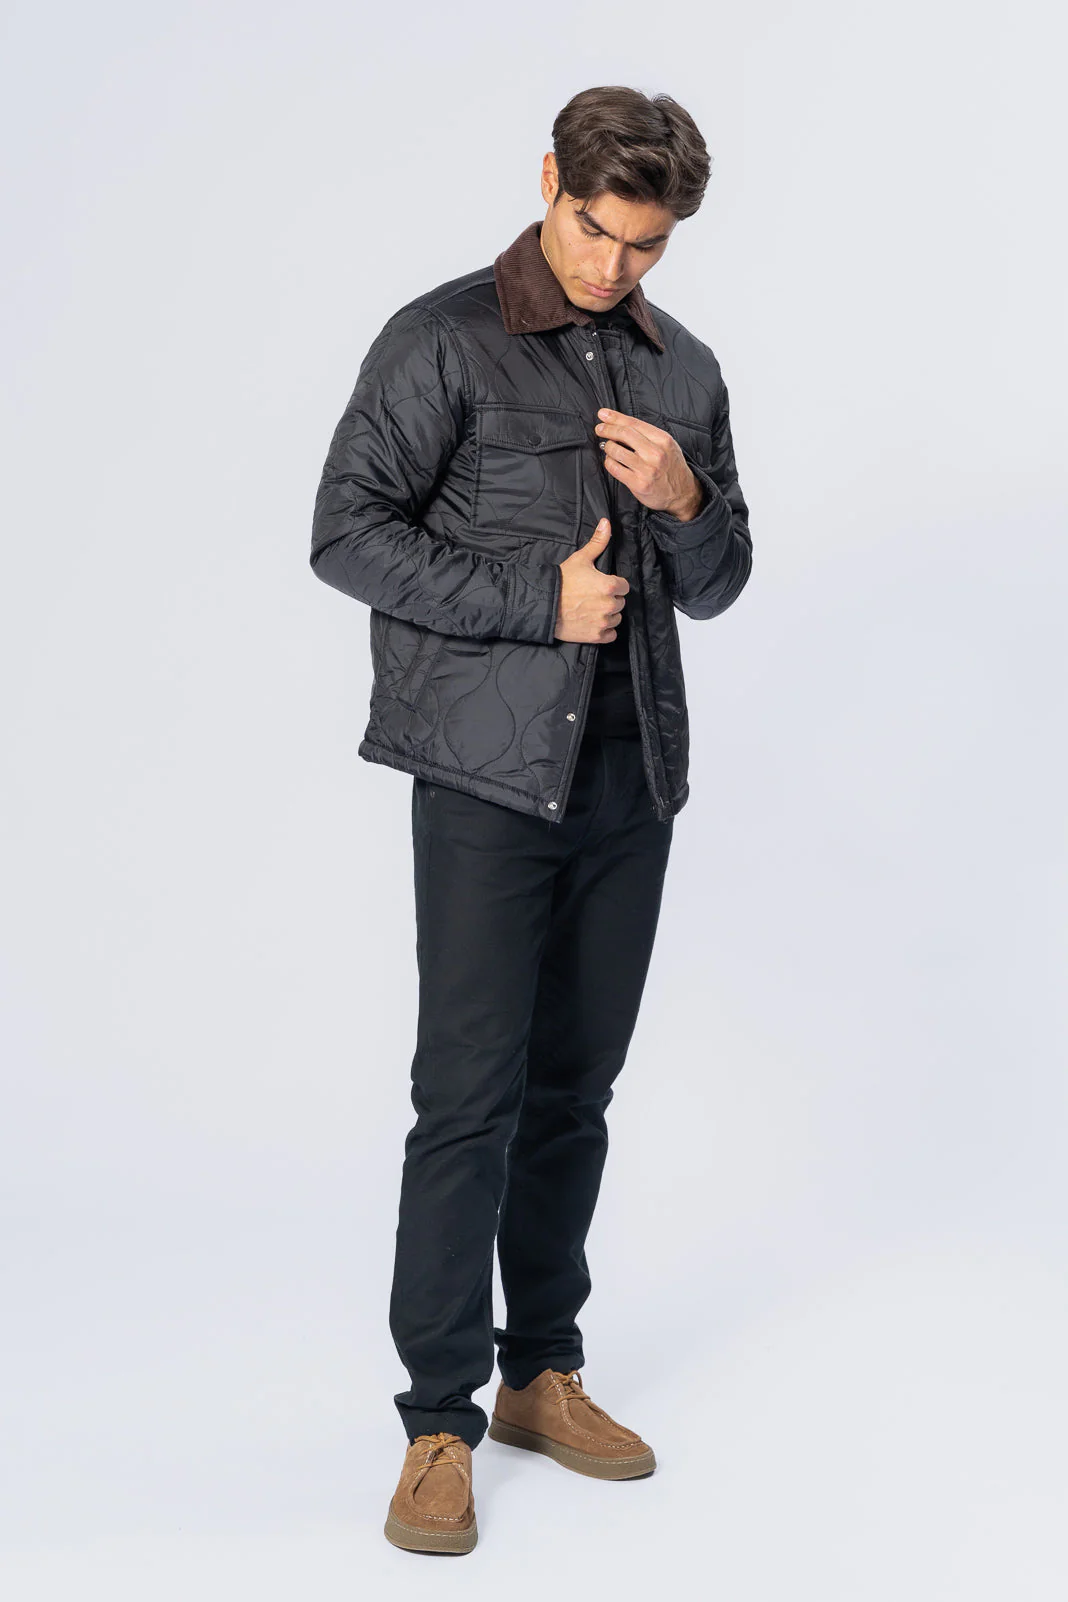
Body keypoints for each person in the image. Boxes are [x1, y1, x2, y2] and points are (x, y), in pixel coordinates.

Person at [309, 84, 753, 1555]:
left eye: (646, 245)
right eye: (593, 228)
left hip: (633, 781)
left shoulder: (685, 370)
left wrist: (686, 500)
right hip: (490, 781)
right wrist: (534, 602)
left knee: (576, 1091)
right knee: (468, 1099)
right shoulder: (442, 339)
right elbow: (345, 532)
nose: (612, 267)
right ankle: (437, 1423)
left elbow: (723, 579)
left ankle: (539, 1373)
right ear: (548, 179)